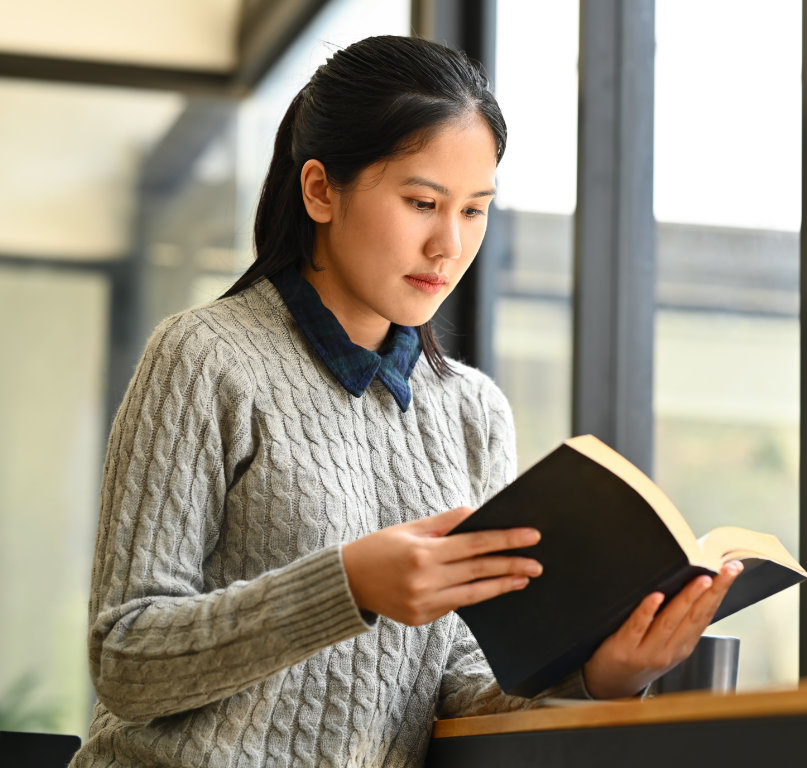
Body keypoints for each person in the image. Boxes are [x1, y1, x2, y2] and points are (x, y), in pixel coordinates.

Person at [70, 35, 741, 768]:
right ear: (321, 190)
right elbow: (126, 658)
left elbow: (457, 682)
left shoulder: (473, 412)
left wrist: (602, 677)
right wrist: (348, 585)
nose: (448, 245)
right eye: (422, 202)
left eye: (476, 210)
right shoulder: (204, 358)